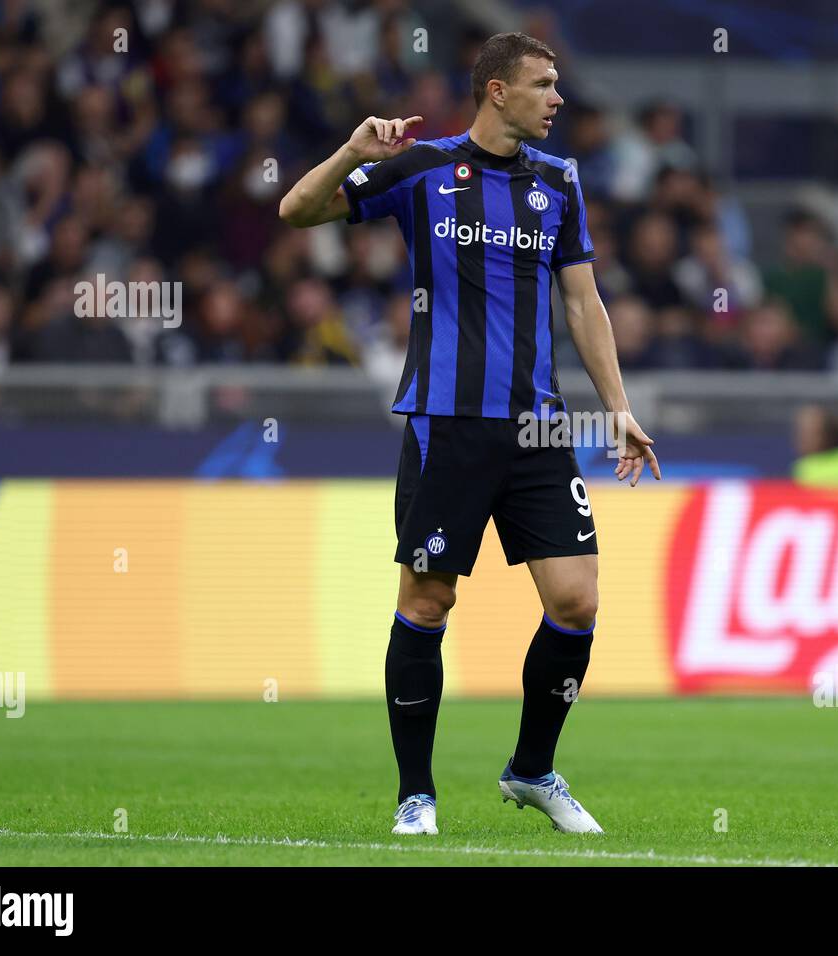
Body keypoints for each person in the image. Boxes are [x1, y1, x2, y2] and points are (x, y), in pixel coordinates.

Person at [279, 31, 661, 837]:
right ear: (497, 91)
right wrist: (353, 145)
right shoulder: (420, 169)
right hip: (444, 425)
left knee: (577, 600)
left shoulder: (559, 181)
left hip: (535, 430)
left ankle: (532, 770)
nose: (559, 99)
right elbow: (298, 209)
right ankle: (415, 795)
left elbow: (584, 304)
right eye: (544, 84)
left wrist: (618, 404)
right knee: (428, 596)